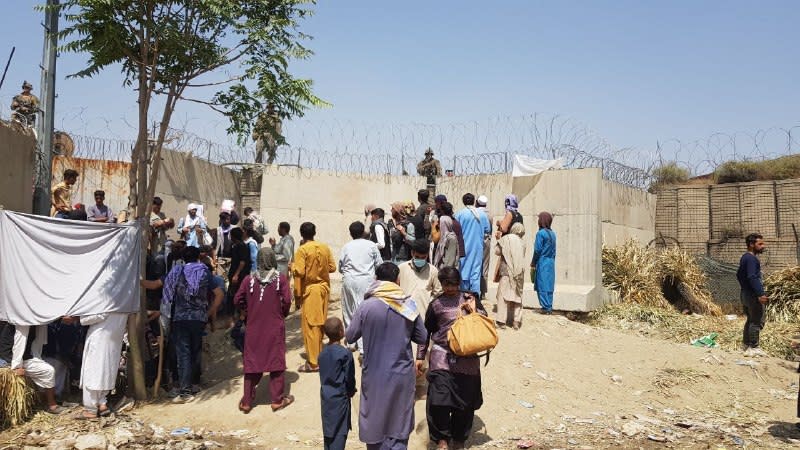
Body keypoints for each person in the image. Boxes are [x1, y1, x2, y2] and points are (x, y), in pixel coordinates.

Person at [345, 262, 428, 450]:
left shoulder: (366, 306)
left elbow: (350, 336)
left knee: (375, 418)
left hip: (374, 376)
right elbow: (422, 337)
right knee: (399, 419)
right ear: (398, 280)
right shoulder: (407, 304)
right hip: (401, 374)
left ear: (376, 280)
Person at [417, 268, 486, 449]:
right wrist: (420, 356)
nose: (450, 288)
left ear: (459, 282)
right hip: (442, 356)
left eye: (454, 284)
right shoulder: (436, 305)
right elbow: (426, 332)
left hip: (467, 359)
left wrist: (474, 312)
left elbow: (485, 323)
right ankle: (442, 438)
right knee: (438, 400)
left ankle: (459, 439)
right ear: (441, 283)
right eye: (446, 284)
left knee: (464, 402)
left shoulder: (471, 299)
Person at [234, 247, 294, 413]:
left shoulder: (248, 279)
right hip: (274, 325)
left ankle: (246, 401)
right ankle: (277, 400)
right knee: (276, 360)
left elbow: (237, 299)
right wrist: (282, 312)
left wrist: (246, 310)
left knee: (252, 361)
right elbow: (287, 300)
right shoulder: (280, 279)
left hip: (253, 327)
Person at [162, 246, 220, 402]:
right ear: (198, 257)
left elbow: (166, 291)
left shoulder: (177, 271)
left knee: (183, 354)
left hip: (180, 318)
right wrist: (208, 313)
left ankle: (185, 391)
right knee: (195, 351)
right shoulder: (204, 271)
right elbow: (218, 294)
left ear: (183, 258)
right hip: (199, 319)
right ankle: (194, 384)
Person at [397, 238, 442, 399]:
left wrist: (430, 305)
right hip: (402, 317)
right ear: (412, 254)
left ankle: (421, 384)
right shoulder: (402, 268)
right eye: (418, 256)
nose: (421, 260)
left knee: (424, 351)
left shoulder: (433, 271)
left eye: (424, 257)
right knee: (403, 349)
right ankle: (404, 383)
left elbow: (438, 291)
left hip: (424, 318)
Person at [293, 222, 336, 373]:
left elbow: (299, 273)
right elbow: (332, 267)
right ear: (314, 232)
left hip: (310, 290)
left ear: (301, 233)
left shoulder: (302, 250)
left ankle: (313, 363)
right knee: (320, 323)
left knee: (311, 326)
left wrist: (297, 295)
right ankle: (319, 355)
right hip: (324, 289)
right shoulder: (324, 247)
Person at [339, 222, 382, 358]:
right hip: (366, 280)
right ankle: (363, 348)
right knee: (364, 311)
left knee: (348, 310)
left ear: (351, 233)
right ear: (363, 231)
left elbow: (340, 267)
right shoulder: (371, 245)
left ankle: (351, 342)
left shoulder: (346, 246)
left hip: (349, 280)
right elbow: (379, 264)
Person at [75, 313, 128, 419]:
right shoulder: (125, 297)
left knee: (93, 371)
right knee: (106, 370)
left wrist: (78, 317)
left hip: (100, 334)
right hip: (115, 333)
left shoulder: (107, 297)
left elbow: (99, 314)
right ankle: (102, 403)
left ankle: (91, 410)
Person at [7, 323, 66, 414]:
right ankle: (52, 405)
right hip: (12, 358)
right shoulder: (20, 324)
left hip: (28, 356)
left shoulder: (35, 326)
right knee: (48, 371)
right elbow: (13, 345)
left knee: (56, 365)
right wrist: (16, 366)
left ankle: (45, 398)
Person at [319, 317, 357, 450]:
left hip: (326, 398)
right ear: (342, 332)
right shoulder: (345, 354)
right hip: (340, 399)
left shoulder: (322, 354)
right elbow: (349, 378)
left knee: (328, 433)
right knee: (339, 433)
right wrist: (352, 391)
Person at [737, 233, 769, 357]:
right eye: (760, 244)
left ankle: (745, 345)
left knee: (750, 320)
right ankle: (754, 347)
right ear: (751, 244)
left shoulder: (744, 257)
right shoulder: (751, 259)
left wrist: (744, 288)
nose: (763, 246)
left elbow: (739, 275)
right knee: (757, 321)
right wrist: (760, 293)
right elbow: (752, 277)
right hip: (752, 296)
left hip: (745, 293)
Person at [455, 193, 491, 297]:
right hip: (477, 248)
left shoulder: (459, 214)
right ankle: (476, 297)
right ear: (473, 201)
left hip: (464, 247)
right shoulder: (481, 214)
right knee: (476, 272)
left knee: (464, 271)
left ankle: (464, 295)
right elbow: (487, 229)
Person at [495, 223, 527, 329]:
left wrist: (498, 239)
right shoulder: (523, 243)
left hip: (506, 271)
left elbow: (497, 252)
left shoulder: (506, 238)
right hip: (519, 273)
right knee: (518, 297)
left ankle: (501, 321)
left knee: (503, 296)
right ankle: (516, 322)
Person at [531, 212, 556, 314]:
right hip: (551, 262)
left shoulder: (540, 234)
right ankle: (549, 306)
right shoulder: (553, 234)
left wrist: (533, 262)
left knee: (542, 284)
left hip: (543, 261)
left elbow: (537, 250)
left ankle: (545, 307)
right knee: (549, 284)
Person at [476, 195, 491, 300]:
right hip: (486, 241)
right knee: (485, 266)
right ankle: (483, 292)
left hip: (475, 241)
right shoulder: (489, 215)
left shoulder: (475, 212)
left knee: (475, 264)